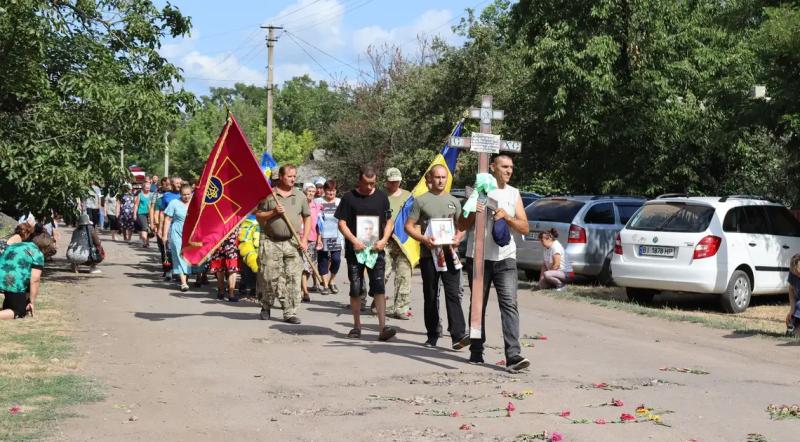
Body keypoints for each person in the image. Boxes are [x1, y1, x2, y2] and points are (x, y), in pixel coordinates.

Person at [460, 154, 530, 372]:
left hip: (505, 257)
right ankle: (476, 350)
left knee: (509, 304)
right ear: (492, 167)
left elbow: (525, 227)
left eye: (511, 167)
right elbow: (462, 224)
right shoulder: (479, 190)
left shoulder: (513, 193)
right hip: (478, 256)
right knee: (478, 304)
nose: (509, 171)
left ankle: (513, 356)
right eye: (504, 167)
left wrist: (507, 217)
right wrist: (475, 211)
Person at [405, 164, 469, 349]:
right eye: (437, 177)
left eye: (443, 177)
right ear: (430, 179)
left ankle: (458, 335)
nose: (440, 181)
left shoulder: (454, 201)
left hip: (449, 254)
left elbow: (461, 226)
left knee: (453, 293)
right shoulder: (421, 201)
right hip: (429, 254)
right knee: (431, 295)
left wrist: (457, 239)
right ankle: (432, 334)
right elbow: (408, 226)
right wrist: (424, 239)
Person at [335, 165, 396, 341]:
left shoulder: (381, 197)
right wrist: (354, 241)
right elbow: (342, 223)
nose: (370, 187)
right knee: (355, 288)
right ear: (359, 180)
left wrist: (384, 240)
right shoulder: (349, 198)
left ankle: (383, 327)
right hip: (356, 250)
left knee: (379, 286)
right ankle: (356, 326)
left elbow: (389, 221)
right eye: (367, 183)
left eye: (373, 183)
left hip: (376, 249)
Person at [255, 164, 311, 323]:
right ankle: (266, 306)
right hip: (271, 241)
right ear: (281, 177)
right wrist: (273, 212)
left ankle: (290, 312)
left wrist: (305, 238)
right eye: (290, 176)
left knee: (293, 277)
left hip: (292, 242)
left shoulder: (299, 196)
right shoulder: (269, 195)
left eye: (294, 176)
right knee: (268, 276)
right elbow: (258, 215)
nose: (293, 179)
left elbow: (307, 217)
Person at [0, 234, 53, 319]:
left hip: (2, 276)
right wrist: (32, 302)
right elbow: (35, 280)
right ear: (46, 248)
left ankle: (14, 305)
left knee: (14, 303)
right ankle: (19, 307)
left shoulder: (18, 244)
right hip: (11, 281)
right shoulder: (38, 254)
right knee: (20, 312)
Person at [384, 167, 412, 320]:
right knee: (383, 273)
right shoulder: (381, 197)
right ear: (387, 181)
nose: (394, 183)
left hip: (403, 241)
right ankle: (378, 303)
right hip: (386, 240)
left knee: (403, 275)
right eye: (391, 181)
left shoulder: (409, 196)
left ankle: (401, 308)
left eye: (397, 180)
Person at [161, 184, 193, 291]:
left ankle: (186, 278)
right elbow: (167, 219)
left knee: (188, 257)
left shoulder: (195, 203)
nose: (186, 197)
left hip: (191, 234)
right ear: (180, 194)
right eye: (184, 195)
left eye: (188, 194)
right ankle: (183, 283)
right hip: (177, 233)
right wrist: (164, 235)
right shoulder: (174, 203)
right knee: (180, 257)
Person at [315, 180, 344, 295]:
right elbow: (315, 220)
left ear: (335, 191)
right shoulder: (318, 201)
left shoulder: (340, 202)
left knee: (336, 259)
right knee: (323, 260)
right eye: (328, 191)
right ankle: (325, 285)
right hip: (322, 236)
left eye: (333, 191)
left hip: (337, 236)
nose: (331, 193)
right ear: (324, 191)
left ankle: (332, 281)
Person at [301, 182, 322, 302]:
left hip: (313, 239)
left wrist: (319, 239)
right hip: (303, 239)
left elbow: (320, 225)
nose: (311, 194)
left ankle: (301, 288)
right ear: (304, 192)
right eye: (309, 191)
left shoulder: (317, 207)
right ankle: (305, 292)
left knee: (310, 267)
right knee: (304, 267)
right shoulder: (301, 205)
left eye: (313, 192)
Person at [209, 226, 241, 302]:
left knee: (219, 267)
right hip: (230, 237)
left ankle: (221, 292)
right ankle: (231, 294)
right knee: (232, 268)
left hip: (217, 236)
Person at [151, 177, 172, 278]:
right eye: (166, 184)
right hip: (162, 226)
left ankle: (174, 270)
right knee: (164, 249)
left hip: (174, 227)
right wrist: (155, 224)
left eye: (169, 184)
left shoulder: (178, 197)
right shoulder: (159, 197)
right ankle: (167, 269)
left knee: (171, 249)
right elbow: (155, 211)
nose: (168, 186)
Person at [134, 178, 153, 248]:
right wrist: (134, 214)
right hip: (141, 213)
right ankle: (145, 242)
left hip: (149, 213)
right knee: (144, 227)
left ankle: (147, 242)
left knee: (149, 228)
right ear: (143, 188)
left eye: (149, 188)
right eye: (146, 188)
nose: (147, 189)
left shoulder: (152, 195)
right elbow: (136, 205)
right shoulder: (140, 195)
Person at [786, 254, 800, 336]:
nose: (797, 276)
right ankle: (793, 329)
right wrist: (792, 309)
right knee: (789, 319)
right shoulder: (793, 273)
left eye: (799, 273)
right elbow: (791, 289)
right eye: (795, 274)